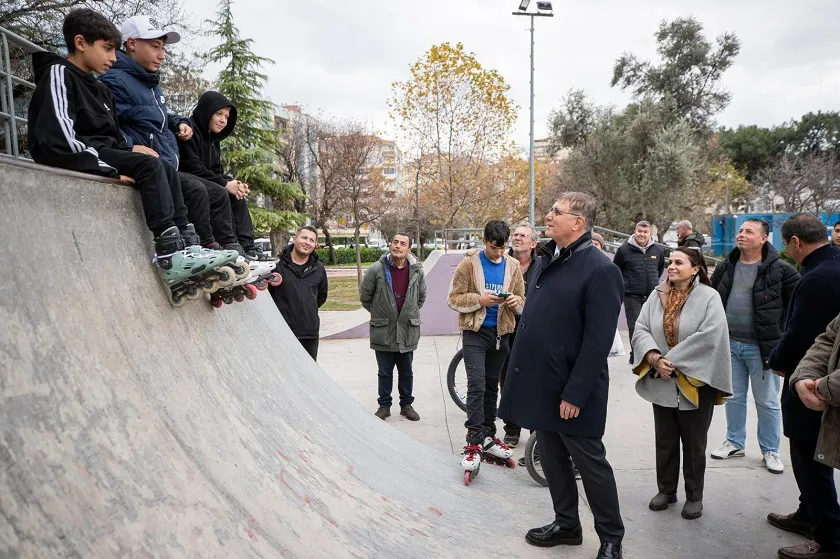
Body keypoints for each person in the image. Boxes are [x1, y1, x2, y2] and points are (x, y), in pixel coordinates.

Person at [26, 9, 229, 303]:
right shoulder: (59, 73)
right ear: (81, 43)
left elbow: (114, 136)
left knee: (157, 162)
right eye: (107, 49)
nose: (113, 56)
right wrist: (105, 169)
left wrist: (130, 149)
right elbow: (57, 138)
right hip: (80, 154)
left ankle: (187, 243)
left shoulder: (98, 88)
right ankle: (170, 252)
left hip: (102, 151)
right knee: (149, 165)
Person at [499, 193, 625, 559]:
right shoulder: (547, 260)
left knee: (590, 463)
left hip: (572, 390)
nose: (548, 216)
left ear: (579, 223)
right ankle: (567, 524)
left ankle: (612, 538)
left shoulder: (601, 269)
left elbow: (597, 342)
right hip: (543, 383)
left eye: (556, 212)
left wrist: (576, 393)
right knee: (552, 459)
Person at [99, 16, 232, 256]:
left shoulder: (150, 85)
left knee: (215, 192)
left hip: (165, 167)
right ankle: (189, 247)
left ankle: (228, 247)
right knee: (196, 189)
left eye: (163, 48)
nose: (161, 55)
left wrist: (179, 121)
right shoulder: (115, 80)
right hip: (149, 166)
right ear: (131, 44)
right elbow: (106, 124)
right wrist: (129, 147)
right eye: (155, 47)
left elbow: (157, 115)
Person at [631, 247, 733, 520]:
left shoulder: (710, 297)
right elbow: (640, 327)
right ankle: (666, 490)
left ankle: (694, 496)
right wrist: (653, 357)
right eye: (670, 262)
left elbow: (710, 336)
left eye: (679, 262)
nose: (671, 267)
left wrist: (669, 361)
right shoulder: (657, 294)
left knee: (694, 442)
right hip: (662, 380)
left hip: (696, 381)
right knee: (664, 440)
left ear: (696, 268)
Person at [767, 214, 840, 559]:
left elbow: (802, 335)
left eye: (786, 243)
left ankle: (828, 538)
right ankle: (807, 512)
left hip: (810, 383)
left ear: (795, 242)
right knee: (815, 453)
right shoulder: (834, 266)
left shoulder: (815, 279)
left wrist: (777, 361)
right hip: (822, 378)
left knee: (809, 456)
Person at [709, 218, 799, 474]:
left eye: (749, 231)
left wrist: (785, 341)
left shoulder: (781, 270)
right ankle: (735, 442)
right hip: (729, 344)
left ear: (763, 238)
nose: (741, 234)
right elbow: (712, 297)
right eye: (740, 230)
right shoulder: (726, 266)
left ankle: (770, 450)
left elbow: (798, 307)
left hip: (764, 349)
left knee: (767, 401)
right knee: (733, 397)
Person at [448, 220, 525, 476]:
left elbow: (522, 301)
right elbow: (454, 298)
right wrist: (479, 300)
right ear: (484, 241)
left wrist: (514, 302)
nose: (499, 253)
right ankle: (473, 440)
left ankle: (489, 436)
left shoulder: (513, 266)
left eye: (503, 248)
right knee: (477, 384)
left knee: (492, 386)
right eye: (494, 248)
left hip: (501, 333)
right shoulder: (469, 264)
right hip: (475, 332)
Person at [178, 90, 272, 261]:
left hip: (204, 180)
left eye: (227, 116)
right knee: (221, 191)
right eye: (219, 114)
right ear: (207, 111)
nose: (223, 120)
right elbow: (192, 167)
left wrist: (233, 184)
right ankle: (229, 245)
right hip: (186, 179)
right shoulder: (189, 131)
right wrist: (224, 184)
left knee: (235, 192)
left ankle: (247, 246)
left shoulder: (213, 140)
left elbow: (216, 170)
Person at [360, 233, 427, 422]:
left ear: (409, 249)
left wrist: (407, 312)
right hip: (383, 330)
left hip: (407, 329)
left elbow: (421, 297)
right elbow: (365, 297)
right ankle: (384, 406)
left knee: (406, 371)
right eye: (395, 242)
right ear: (390, 245)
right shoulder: (376, 270)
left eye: (402, 244)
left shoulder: (416, 271)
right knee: (384, 371)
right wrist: (381, 313)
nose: (397, 246)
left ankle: (406, 405)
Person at [498, 224, 545, 448]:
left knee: (535, 382)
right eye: (515, 235)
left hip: (535, 331)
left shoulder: (543, 265)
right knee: (507, 380)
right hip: (507, 329)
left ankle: (536, 431)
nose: (517, 238)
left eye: (523, 236)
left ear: (533, 244)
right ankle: (512, 428)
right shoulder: (502, 262)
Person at [268, 226, 327, 360]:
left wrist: (307, 309)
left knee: (308, 376)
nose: (307, 242)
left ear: (315, 245)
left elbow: (321, 296)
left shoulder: (319, 269)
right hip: (282, 332)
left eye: (312, 240)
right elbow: (268, 296)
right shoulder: (277, 266)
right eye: (304, 238)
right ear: (295, 239)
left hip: (309, 334)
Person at [613, 221, 665, 364]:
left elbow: (659, 270)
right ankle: (637, 355)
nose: (642, 234)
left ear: (650, 234)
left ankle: (649, 354)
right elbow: (617, 270)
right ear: (635, 231)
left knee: (652, 326)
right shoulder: (624, 250)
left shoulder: (658, 250)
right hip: (631, 295)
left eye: (645, 232)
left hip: (652, 296)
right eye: (639, 231)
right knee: (635, 326)